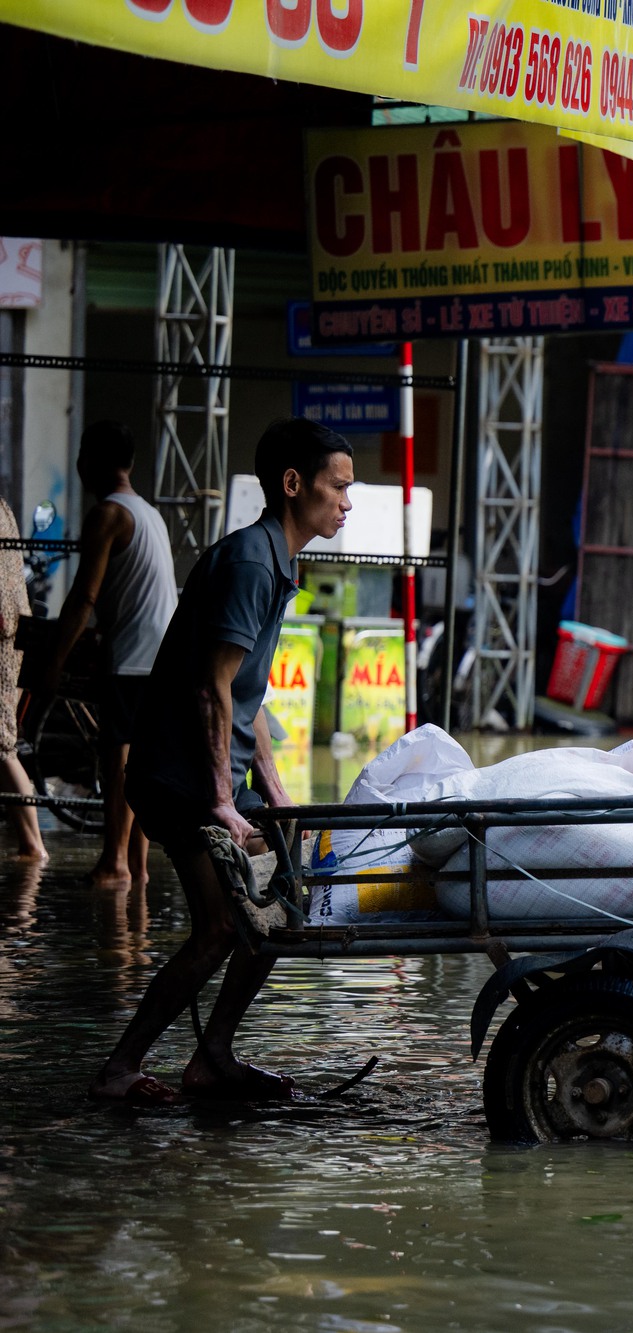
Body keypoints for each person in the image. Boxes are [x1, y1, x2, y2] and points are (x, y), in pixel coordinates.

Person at [89, 418, 352, 1107]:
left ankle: (213, 1057)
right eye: (337, 487)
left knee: (276, 911)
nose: (345, 503)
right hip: (176, 777)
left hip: (203, 777)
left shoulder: (274, 560)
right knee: (220, 928)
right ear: (294, 484)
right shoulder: (250, 561)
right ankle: (120, 1069)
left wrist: (274, 793)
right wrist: (222, 800)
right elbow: (212, 684)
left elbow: (246, 697)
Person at [36, 421, 177, 888]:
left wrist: (52, 665)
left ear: (89, 462)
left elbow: (83, 598)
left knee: (117, 760)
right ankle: (134, 868)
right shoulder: (149, 513)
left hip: (133, 659)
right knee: (135, 764)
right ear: (131, 464)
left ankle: (115, 862)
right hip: (159, 657)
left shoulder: (108, 514)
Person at [0, 497, 45, 862]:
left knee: (2, 745)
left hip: (3, 636)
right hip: (13, 632)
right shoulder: (4, 508)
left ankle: (33, 846)